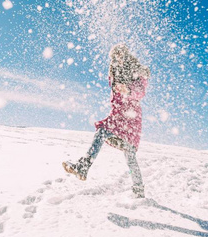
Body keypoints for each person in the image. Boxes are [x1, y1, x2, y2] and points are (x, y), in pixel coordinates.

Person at [62, 43, 150, 198]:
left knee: (129, 155)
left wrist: (128, 90)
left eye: (120, 56)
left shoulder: (136, 71)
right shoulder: (115, 72)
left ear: (126, 55)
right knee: (101, 132)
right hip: (117, 117)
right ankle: (83, 167)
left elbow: (140, 92)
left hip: (131, 119)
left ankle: (139, 191)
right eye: (115, 57)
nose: (118, 59)